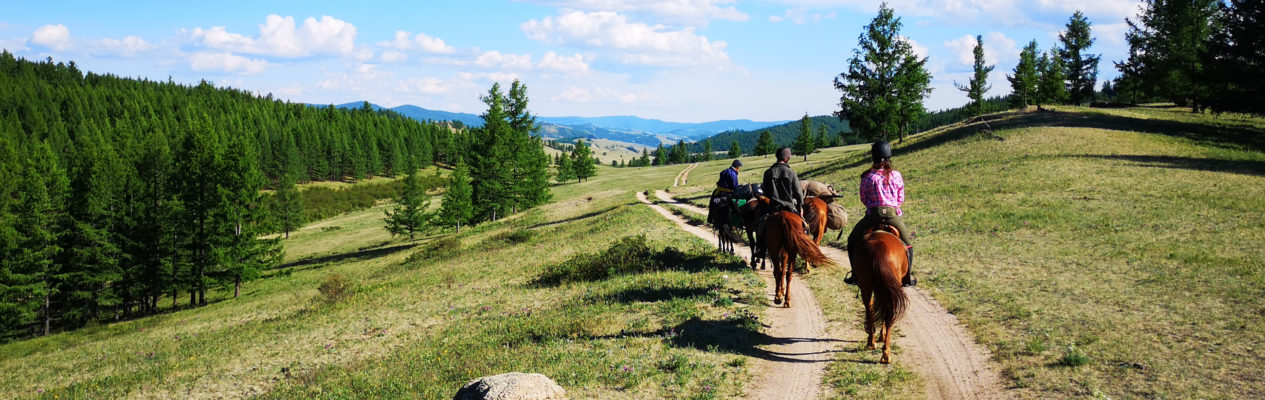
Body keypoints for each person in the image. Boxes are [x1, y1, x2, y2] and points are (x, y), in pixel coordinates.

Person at [845, 141, 916, 286]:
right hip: (892, 215)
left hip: (872, 215)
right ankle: (907, 277)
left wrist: (873, 206)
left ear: (874, 157)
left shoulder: (867, 176)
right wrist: (893, 206)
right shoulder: (896, 175)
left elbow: (863, 198)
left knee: (852, 241)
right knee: (908, 245)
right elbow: (900, 197)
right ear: (889, 157)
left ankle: (854, 275)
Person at [755, 147, 805, 258]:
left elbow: (766, 191)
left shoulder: (768, 172)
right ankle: (803, 250)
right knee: (804, 227)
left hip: (773, 207)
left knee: (761, 225)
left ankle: (761, 249)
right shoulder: (791, 172)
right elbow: (798, 192)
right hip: (790, 207)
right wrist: (800, 206)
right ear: (787, 159)